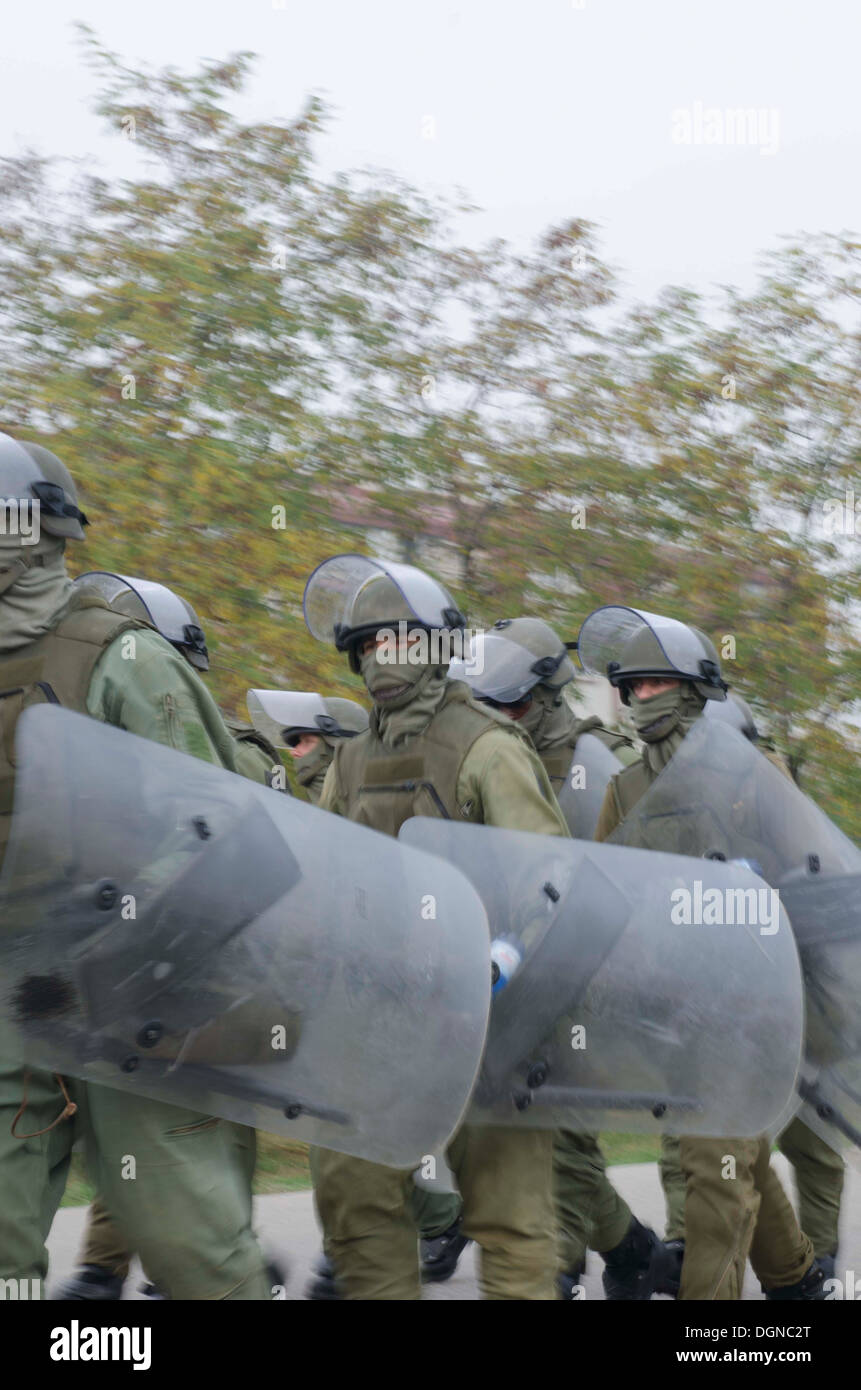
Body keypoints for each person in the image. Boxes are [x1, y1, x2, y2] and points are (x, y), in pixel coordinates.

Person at [0, 436, 272, 1299]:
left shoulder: (123, 657)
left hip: (135, 999)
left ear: (31, 533)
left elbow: (218, 827)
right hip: (12, 1007)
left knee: (193, 1253)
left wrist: (108, 936)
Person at [303, 554, 569, 1299]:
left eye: (393, 642)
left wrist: (501, 957)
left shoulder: (486, 745)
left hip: (488, 1015)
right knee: (356, 1205)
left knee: (508, 1217)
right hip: (379, 1018)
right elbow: (320, 872)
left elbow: (545, 877)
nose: (377, 660)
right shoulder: (349, 761)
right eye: (365, 647)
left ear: (430, 648)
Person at [580, 606, 827, 1301]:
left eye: (655, 684)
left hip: (749, 1006)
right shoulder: (623, 788)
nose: (639, 699)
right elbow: (609, 894)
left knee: (710, 1171)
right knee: (733, 1156)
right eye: (631, 687)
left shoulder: (753, 771)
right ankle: (797, 1282)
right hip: (671, 1010)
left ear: (691, 686)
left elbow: (805, 873)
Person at [451, 616, 672, 1299]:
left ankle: (560, 1265)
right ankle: (628, 1247)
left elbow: (633, 890)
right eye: (487, 700)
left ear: (549, 693)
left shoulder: (596, 767)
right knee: (502, 1130)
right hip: (504, 973)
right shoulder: (481, 752)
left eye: (512, 702)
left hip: (588, 982)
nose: (498, 715)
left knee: (561, 1141)